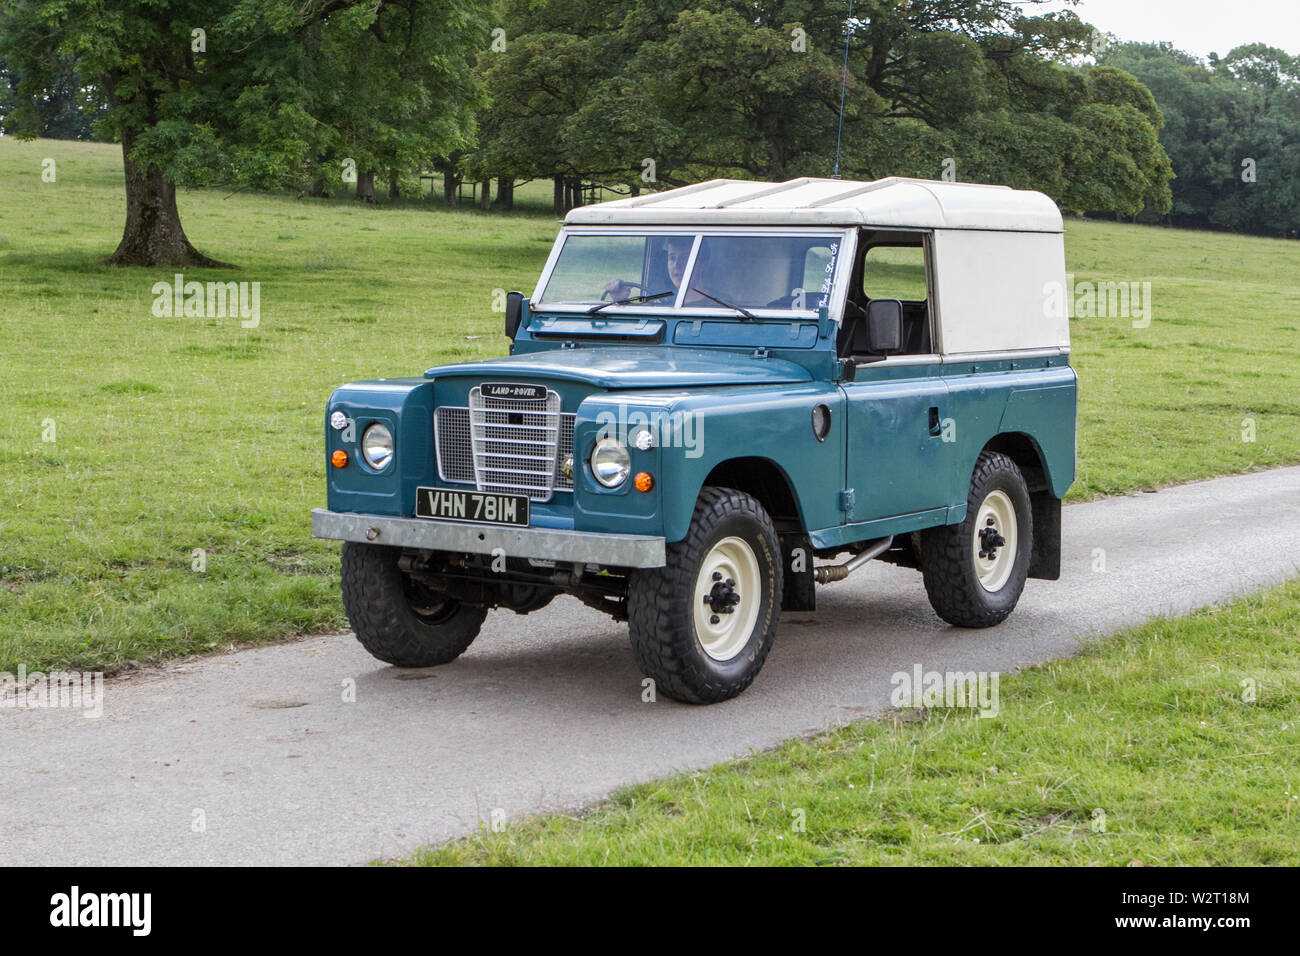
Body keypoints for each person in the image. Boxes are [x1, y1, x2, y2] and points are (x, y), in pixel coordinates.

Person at [603, 236, 702, 305]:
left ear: (702, 263)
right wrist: (622, 300)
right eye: (672, 258)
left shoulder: (713, 306)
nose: (677, 265)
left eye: (685, 259)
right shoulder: (665, 297)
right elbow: (645, 308)